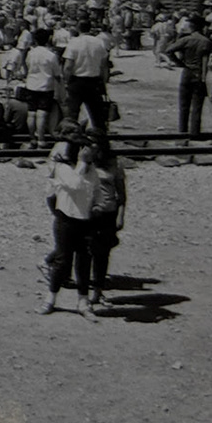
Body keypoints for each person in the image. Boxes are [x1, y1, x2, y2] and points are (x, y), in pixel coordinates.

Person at [41, 127, 100, 317]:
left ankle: (83, 301)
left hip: (85, 220)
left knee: (84, 261)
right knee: (62, 261)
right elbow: (75, 184)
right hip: (65, 219)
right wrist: (82, 164)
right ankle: (50, 299)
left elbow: (96, 190)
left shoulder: (92, 171)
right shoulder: (63, 168)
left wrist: (97, 207)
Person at [82, 145, 128, 312]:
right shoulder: (84, 163)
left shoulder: (114, 164)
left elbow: (121, 194)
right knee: (86, 253)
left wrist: (121, 215)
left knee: (102, 254)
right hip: (88, 213)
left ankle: (98, 290)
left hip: (109, 212)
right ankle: (84, 294)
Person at [166, 14, 212, 137]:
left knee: (184, 104)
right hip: (200, 73)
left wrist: (179, 63)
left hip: (187, 71)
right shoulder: (206, 42)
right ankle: (194, 132)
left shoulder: (186, 39)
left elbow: (168, 50)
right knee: (197, 105)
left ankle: (182, 130)